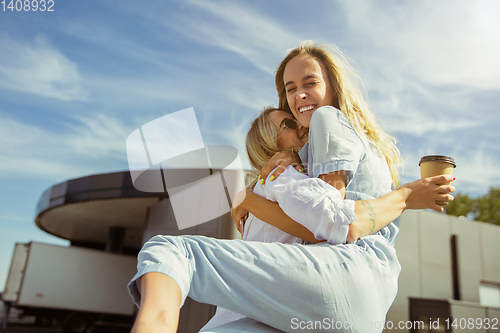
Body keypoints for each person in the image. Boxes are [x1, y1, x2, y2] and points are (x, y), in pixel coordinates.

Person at [128, 41, 455, 333]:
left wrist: (250, 198)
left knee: (175, 251)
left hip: (344, 269)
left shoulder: (329, 120)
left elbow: (332, 223)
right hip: (362, 298)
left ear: (334, 87)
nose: (299, 95)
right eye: (290, 88)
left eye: (310, 83)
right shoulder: (313, 154)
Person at [201, 106, 454, 331]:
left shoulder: (262, 188)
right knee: (185, 252)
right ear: (270, 140)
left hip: (238, 315)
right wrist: (406, 196)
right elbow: (324, 228)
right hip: (256, 318)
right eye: (289, 124)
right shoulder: (283, 175)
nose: (301, 126)